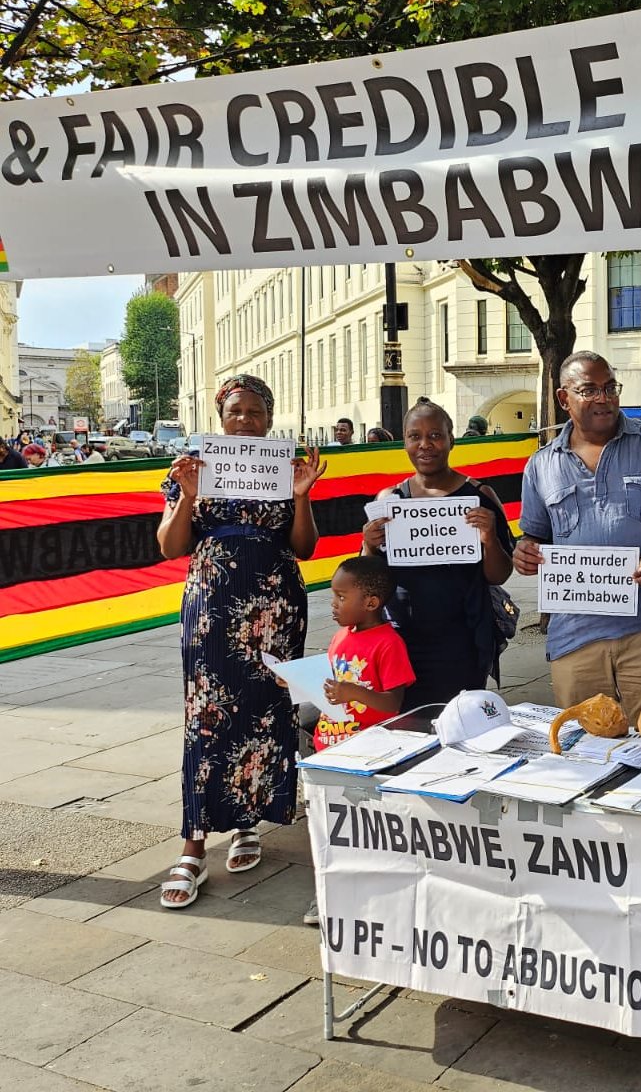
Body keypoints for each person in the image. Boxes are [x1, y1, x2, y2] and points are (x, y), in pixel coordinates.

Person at [156, 374, 326, 910]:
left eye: (256, 413)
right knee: (207, 717)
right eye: (236, 412)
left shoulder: (284, 468)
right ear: (220, 415)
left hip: (274, 609)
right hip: (212, 607)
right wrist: (187, 497)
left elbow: (305, 547)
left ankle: (248, 823)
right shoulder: (193, 468)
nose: (246, 421)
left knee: (266, 714)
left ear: (270, 418)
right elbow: (169, 546)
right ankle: (193, 843)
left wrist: (300, 497)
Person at [514, 352, 641, 721]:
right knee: (584, 748)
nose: (603, 398)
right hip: (574, 634)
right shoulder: (541, 464)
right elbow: (534, 536)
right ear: (563, 398)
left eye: (609, 388)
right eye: (589, 390)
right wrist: (525, 552)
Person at [362, 400, 515, 705]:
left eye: (435, 435)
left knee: (460, 722)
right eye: (414, 436)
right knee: (407, 724)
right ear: (403, 442)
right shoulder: (389, 499)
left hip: (463, 639)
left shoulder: (479, 495)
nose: (424, 445)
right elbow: (366, 580)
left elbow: (500, 574)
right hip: (401, 639)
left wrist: (489, 539)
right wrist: (368, 543)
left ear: (451, 440)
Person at [298, 554, 414, 926]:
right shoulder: (339, 637)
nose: (333, 604)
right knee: (326, 830)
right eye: (333, 596)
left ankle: (367, 893)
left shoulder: (388, 643)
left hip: (368, 754)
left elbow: (393, 703)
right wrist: (301, 682)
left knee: (363, 832)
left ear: (371, 602)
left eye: (340, 597)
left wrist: (354, 692)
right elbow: (331, 690)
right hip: (330, 748)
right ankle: (326, 893)